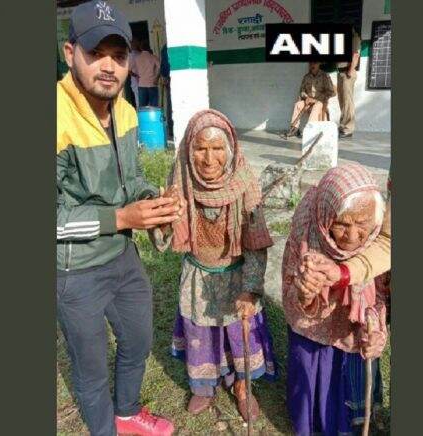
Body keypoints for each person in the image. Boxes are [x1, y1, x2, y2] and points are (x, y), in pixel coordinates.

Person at [56, 2, 180, 435]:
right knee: (90, 370)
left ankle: (126, 413)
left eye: (120, 55)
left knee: (138, 340)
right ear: (70, 52)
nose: (109, 66)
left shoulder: (125, 111)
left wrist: (154, 204)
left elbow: (132, 180)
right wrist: (122, 218)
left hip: (123, 258)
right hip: (75, 269)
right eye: (97, 53)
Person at [149, 109, 277, 421]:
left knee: (239, 331)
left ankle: (243, 387)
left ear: (230, 150)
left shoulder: (245, 184)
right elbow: (163, 239)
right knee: (199, 333)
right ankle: (203, 386)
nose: (208, 159)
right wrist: (165, 220)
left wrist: (251, 290)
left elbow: (256, 246)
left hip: (236, 277)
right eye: (200, 148)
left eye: (217, 148)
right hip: (197, 275)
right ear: (187, 151)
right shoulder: (181, 180)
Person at [282, 163, 391, 436]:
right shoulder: (308, 231)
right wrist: (306, 293)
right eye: (342, 224)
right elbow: (295, 295)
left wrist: (375, 330)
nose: (352, 237)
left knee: (349, 383)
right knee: (312, 369)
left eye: (362, 225)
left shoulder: (378, 238)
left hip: (352, 335)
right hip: (312, 331)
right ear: (327, 217)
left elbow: (378, 294)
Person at [281, 62, 336, 139]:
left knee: (316, 106)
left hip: (320, 102)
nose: (312, 65)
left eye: (314, 63)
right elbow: (301, 91)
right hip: (308, 101)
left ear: (319, 64)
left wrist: (316, 99)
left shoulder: (324, 76)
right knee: (298, 105)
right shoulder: (306, 77)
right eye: (310, 63)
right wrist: (306, 97)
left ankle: (310, 130)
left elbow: (332, 92)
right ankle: (294, 129)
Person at [337, 27, 362, 138]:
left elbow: (355, 55)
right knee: (342, 101)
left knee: (347, 101)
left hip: (347, 72)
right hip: (342, 73)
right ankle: (343, 126)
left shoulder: (354, 38)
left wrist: (350, 71)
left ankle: (348, 129)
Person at [131, 39, 161, 107]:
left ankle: (142, 118)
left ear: (141, 48)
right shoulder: (153, 57)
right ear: (149, 47)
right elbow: (160, 67)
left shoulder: (137, 58)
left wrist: (136, 75)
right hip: (152, 84)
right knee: (154, 107)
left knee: (142, 107)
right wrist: (156, 78)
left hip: (141, 85)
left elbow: (129, 70)